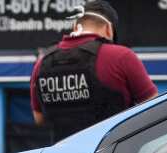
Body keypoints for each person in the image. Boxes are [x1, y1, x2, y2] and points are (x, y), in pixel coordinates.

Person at [30, 0, 157, 141]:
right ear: (109, 29)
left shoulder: (42, 63)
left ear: (75, 26)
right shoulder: (122, 56)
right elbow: (154, 107)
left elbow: (39, 118)